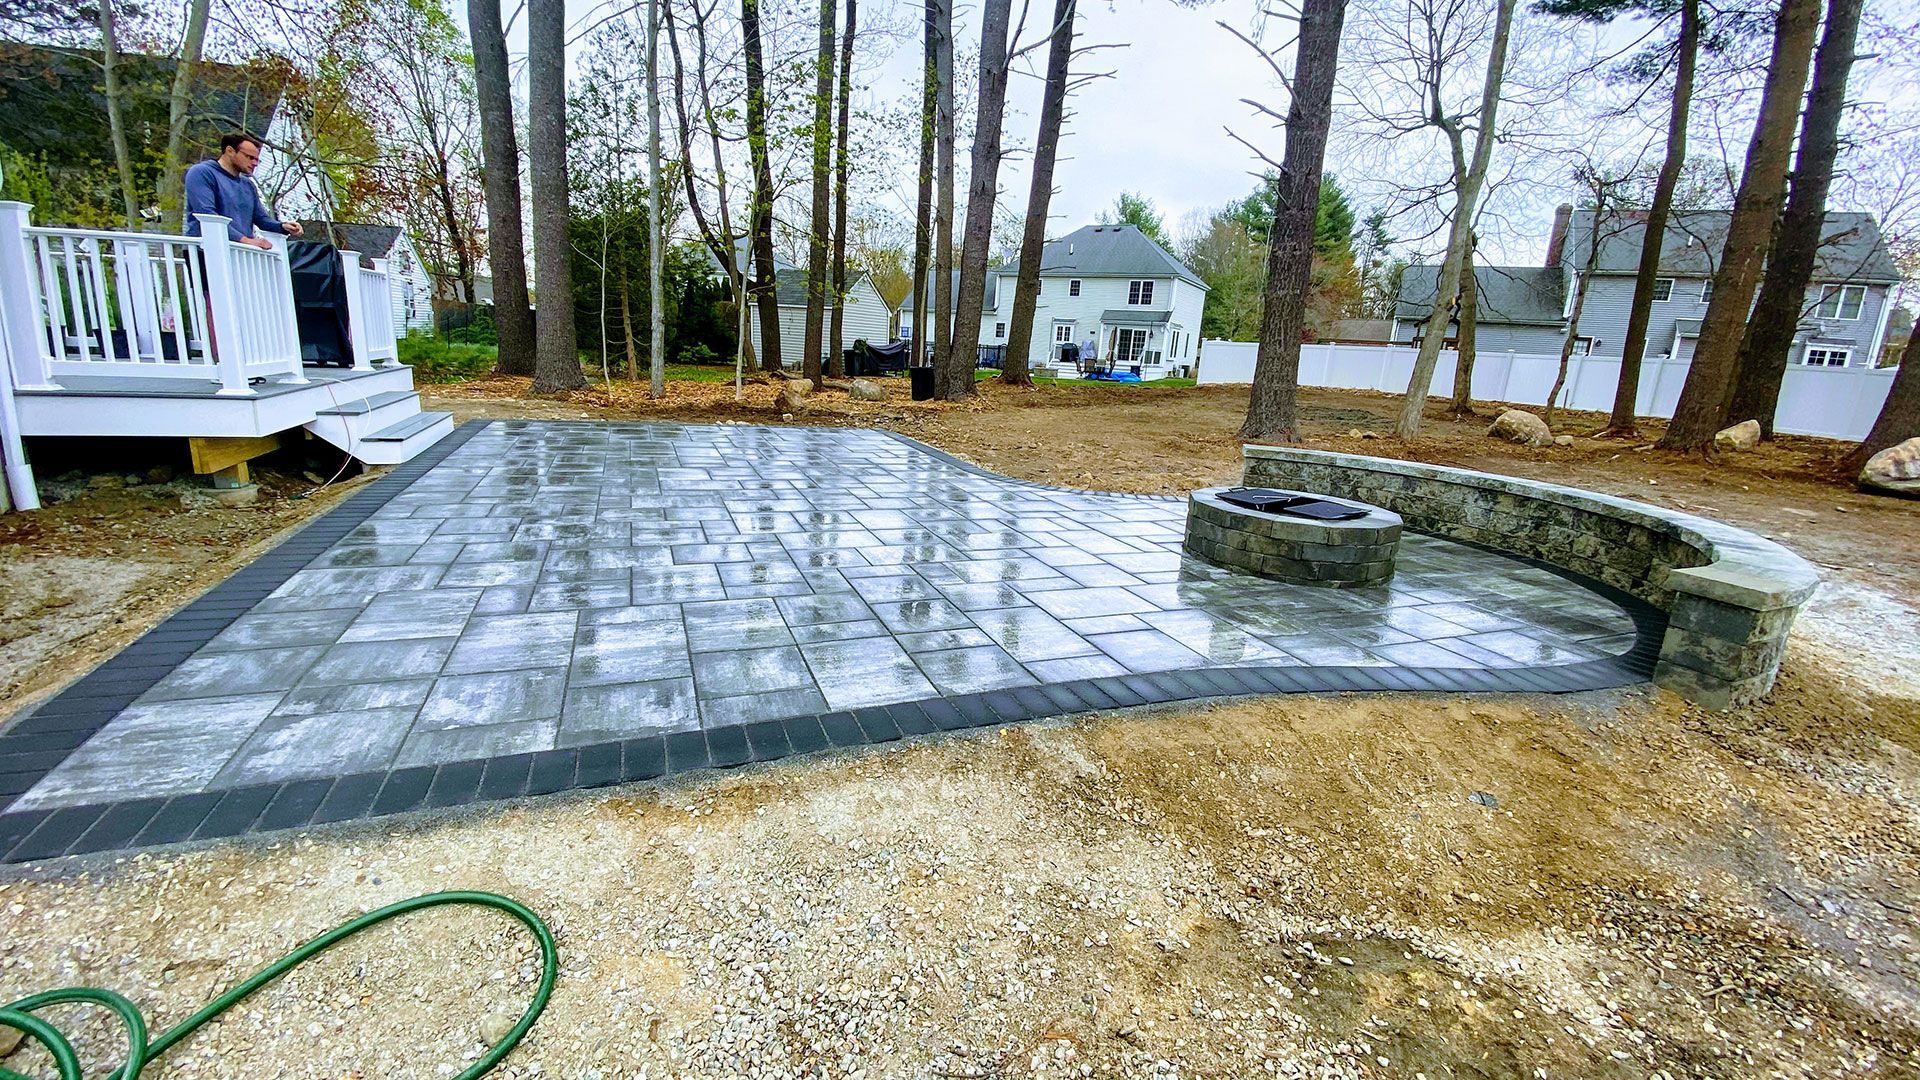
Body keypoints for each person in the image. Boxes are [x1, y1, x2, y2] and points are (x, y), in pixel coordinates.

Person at [183, 133, 303, 249]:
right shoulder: (202, 173)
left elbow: (262, 220)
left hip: (239, 252)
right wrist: (245, 241)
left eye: (257, 159)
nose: (255, 163)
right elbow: (207, 215)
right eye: (249, 157)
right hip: (206, 250)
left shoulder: (248, 185)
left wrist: (283, 226)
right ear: (230, 151)